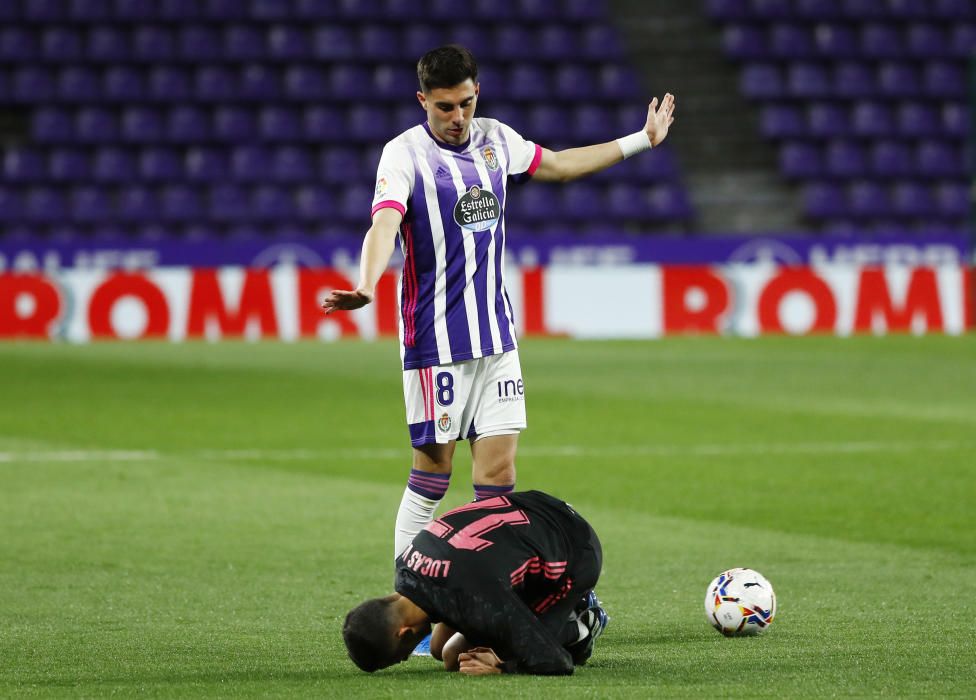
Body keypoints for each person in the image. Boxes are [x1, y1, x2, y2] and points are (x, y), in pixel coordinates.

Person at [322, 45, 676, 563]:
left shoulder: (496, 140)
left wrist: (641, 140)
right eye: (444, 107)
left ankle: (480, 610)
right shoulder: (403, 154)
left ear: (476, 93)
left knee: (499, 478)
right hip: (435, 343)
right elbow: (384, 223)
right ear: (423, 101)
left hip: (497, 339)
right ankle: (412, 608)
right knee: (432, 476)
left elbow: (557, 164)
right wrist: (369, 283)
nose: (457, 117)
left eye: (465, 103)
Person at [343, 490, 607, 675]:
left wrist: (504, 666)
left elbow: (556, 663)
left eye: (400, 657)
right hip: (536, 508)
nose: (404, 658)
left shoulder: (473, 598)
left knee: (529, 647)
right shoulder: (406, 567)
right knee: (445, 652)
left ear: (404, 633)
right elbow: (456, 580)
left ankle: (580, 623)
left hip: (576, 550)